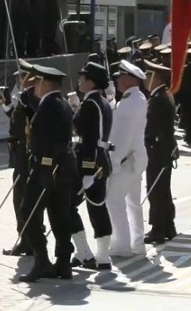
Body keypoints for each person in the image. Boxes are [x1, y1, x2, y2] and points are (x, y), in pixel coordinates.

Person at [20, 65, 76, 282]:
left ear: (44, 83)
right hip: (63, 167)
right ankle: (63, 262)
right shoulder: (60, 103)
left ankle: (42, 261)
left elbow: (50, 140)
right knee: (59, 214)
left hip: (48, 167)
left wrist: (45, 167)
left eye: (37, 81)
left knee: (29, 211)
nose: (34, 85)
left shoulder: (50, 106)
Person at [70, 62, 114, 270]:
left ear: (92, 82)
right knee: (98, 207)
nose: (79, 81)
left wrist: (87, 170)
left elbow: (88, 139)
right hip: (101, 160)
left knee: (68, 206)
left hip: (90, 162)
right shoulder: (101, 101)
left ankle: (85, 253)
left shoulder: (90, 105)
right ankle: (101, 256)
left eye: (83, 78)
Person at [106, 60, 149, 257]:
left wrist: (114, 162)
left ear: (129, 79)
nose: (117, 81)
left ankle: (121, 245)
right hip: (136, 159)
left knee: (114, 201)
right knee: (133, 203)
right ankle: (137, 243)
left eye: (120, 78)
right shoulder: (138, 98)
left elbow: (122, 137)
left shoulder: (128, 104)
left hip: (125, 161)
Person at [1, 59, 40, 257]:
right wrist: (9, 106)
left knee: (23, 198)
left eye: (22, 77)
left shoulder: (30, 97)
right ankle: (28, 238)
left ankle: (28, 240)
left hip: (27, 154)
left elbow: (25, 125)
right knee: (23, 197)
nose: (19, 80)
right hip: (22, 152)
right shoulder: (29, 97)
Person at [143, 60, 179, 244]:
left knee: (156, 190)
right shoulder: (163, 95)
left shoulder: (159, 99)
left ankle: (158, 229)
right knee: (163, 190)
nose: (145, 79)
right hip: (163, 150)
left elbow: (153, 127)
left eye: (148, 75)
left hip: (158, 150)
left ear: (156, 78)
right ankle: (168, 226)